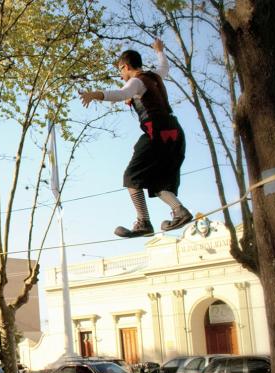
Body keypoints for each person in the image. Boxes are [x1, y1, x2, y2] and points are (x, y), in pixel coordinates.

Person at [79, 39, 192, 238]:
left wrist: (93, 94)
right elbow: (164, 66)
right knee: (157, 182)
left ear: (126, 66)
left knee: (131, 177)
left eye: (121, 72)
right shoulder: (154, 76)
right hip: (174, 135)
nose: (122, 77)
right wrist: (159, 51)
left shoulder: (136, 81)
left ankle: (143, 221)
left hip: (156, 135)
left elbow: (122, 93)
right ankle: (180, 211)